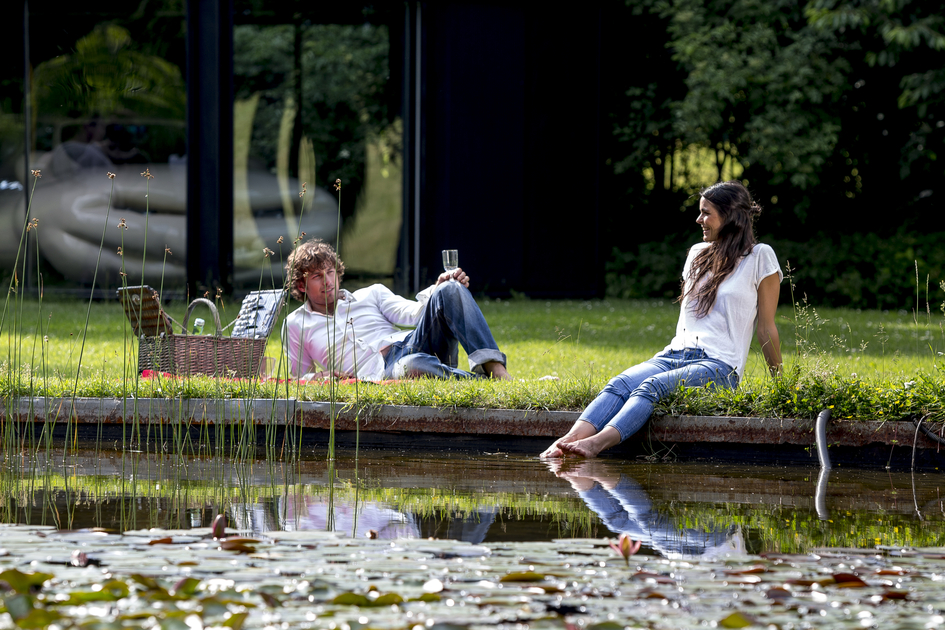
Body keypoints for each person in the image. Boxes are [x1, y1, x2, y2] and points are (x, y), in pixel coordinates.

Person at [541, 180, 782, 459]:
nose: (698, 219)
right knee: (619, 384)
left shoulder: (759, 256)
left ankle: (594, 444)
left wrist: (781, 388)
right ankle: (566, 442)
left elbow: (766, 328)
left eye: (706, 213)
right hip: (676, 353)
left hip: (719, 365)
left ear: (730, 217)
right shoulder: (697, 254)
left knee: (651, 387)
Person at [283, 239, 511, 381]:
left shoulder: (371, 293)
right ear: (301, 285)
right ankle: (481, 383)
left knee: (451, 288)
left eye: (330, 272)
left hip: (414, 342)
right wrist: (315, 377)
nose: (328, 281)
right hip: (386, 369)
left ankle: (497, 370)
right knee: (412, 365)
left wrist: (438, 288)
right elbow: (296, 377)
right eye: (317, 277)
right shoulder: (296, 324)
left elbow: (413, 314)